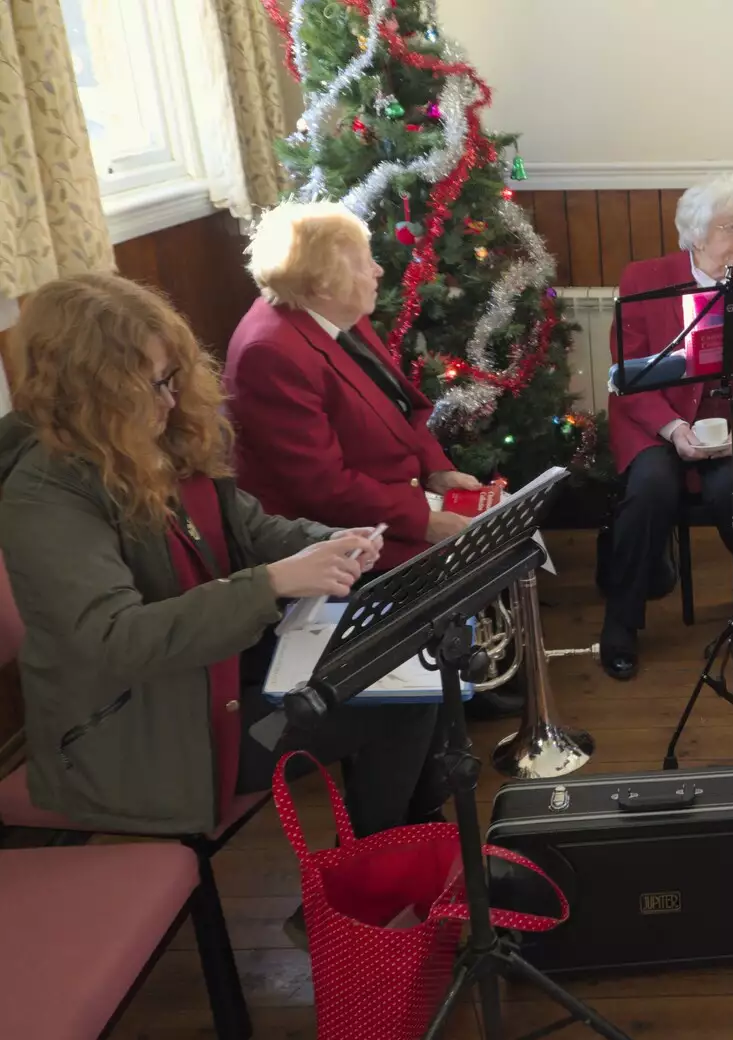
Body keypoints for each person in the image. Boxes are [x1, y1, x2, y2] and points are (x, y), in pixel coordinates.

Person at [0, 272, 445, 853]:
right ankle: (369, 892)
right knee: (403, 701)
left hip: (211, 672)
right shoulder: (45, 492)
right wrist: (272, 583)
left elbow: (253, 529)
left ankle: (393, 877)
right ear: (91, 391)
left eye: (172, 378)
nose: (170, 400)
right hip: (137, 731)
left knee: (414, 671)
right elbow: (113, 640)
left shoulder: (150, 437)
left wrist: (333, 540)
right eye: (151, 385)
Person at [600, 172, 733, 680]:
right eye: (732, 227)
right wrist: (672, 430)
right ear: (696, 234)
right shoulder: (644, 280)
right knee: (649, 489)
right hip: (656, 418)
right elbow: (631, 373)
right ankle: (621, 622)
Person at [225, 200, 482, 573]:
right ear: (324, 283)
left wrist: (436, 470)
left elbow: (401, 409)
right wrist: (422, 522)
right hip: (343, 540)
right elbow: (323, 487)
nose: (378, 270)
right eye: (365, 263)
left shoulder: (335, 311)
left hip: (390, 505)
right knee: (483, 562)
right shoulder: (269, 353)